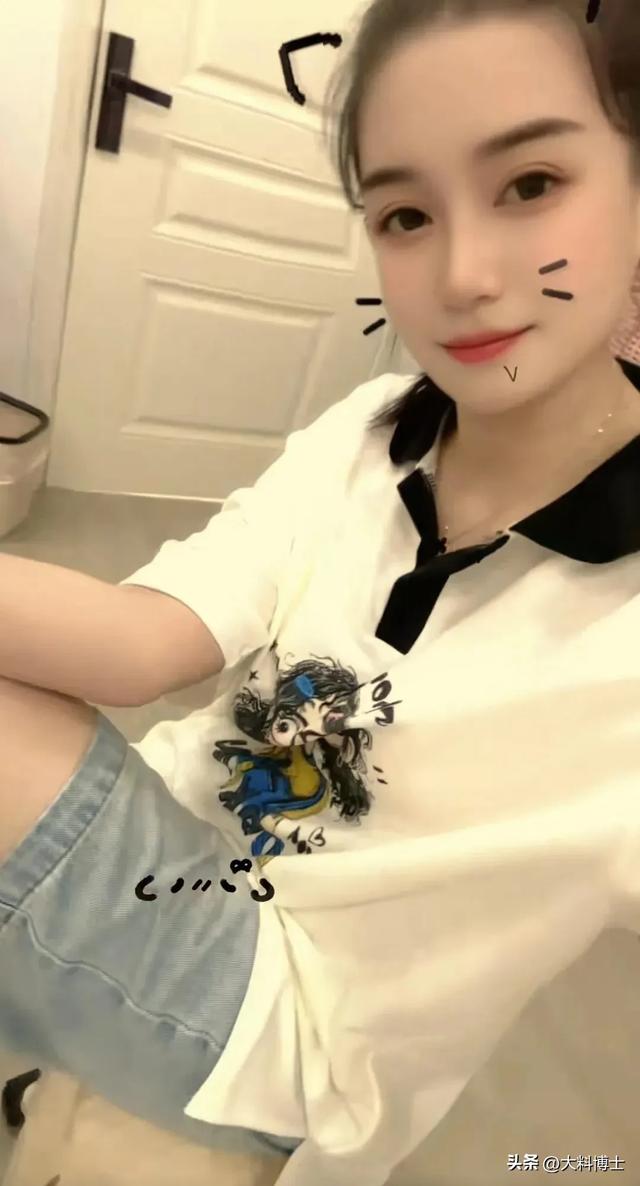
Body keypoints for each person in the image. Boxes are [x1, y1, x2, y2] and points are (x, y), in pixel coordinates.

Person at [2, 2, 640, 1184]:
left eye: (531, 183)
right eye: (405, 214)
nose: (463, 274)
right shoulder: (369, 429)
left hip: (295, 1036)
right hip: (183, 846)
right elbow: (145, 641)